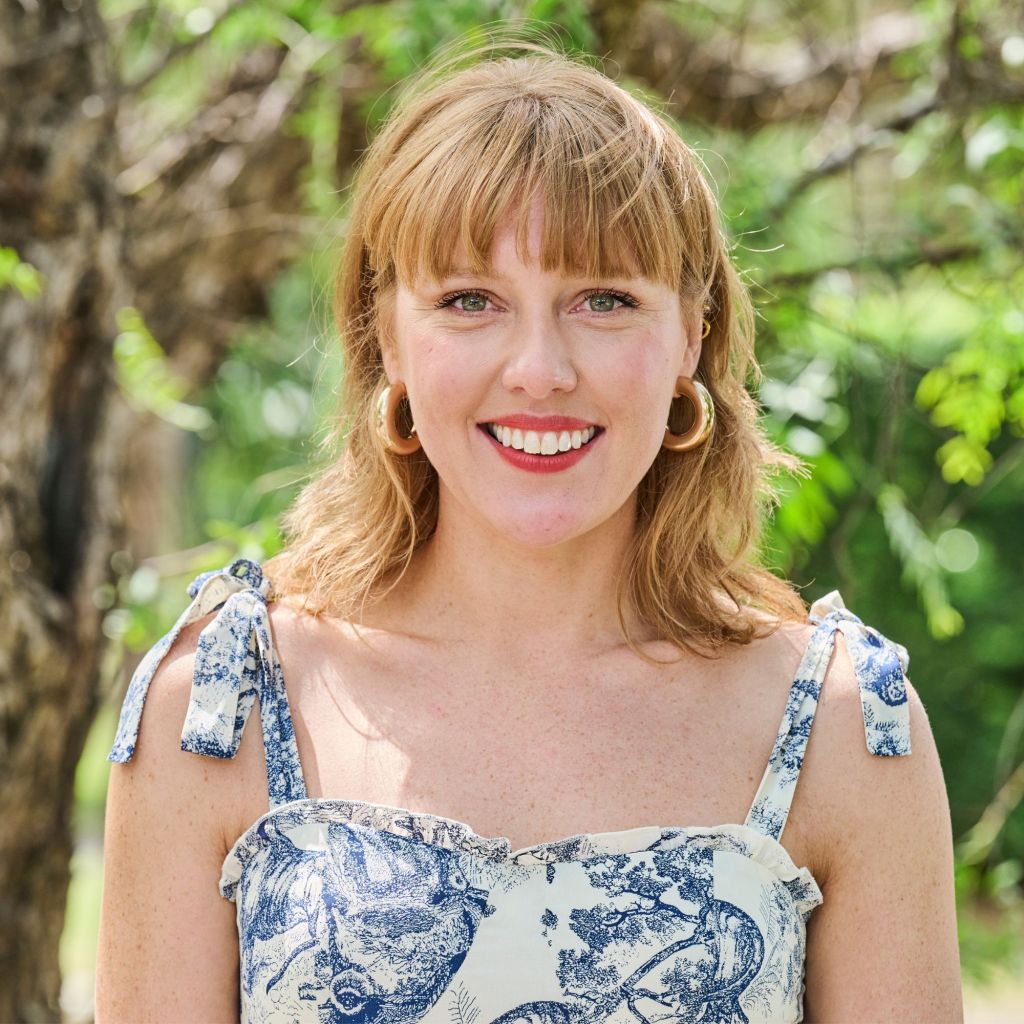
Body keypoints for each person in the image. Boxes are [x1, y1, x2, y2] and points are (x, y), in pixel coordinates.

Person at [95, 42, 963, 1023]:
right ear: (387, 335)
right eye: (470, 301)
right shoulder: (220, 709)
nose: (540, 370)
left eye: (605, 300)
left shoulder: (843, 728)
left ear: (690, 333)